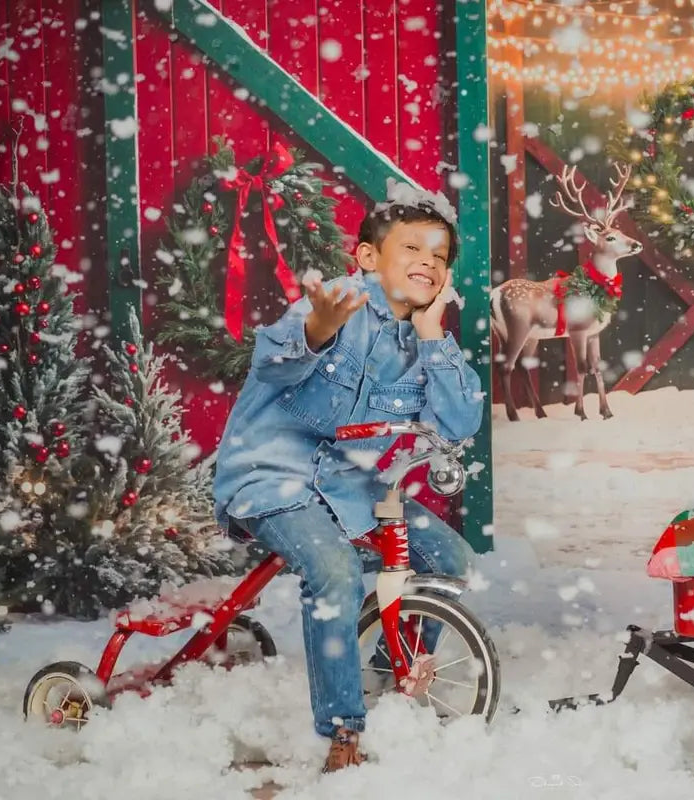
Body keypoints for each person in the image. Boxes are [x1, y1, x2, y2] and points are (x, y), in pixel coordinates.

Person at [212, 192, 483, 773]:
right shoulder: (340, 303)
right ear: (366, 256)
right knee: (332, 569)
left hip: (352, 483)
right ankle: (343, 733)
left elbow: (461, 423)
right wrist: (317, 327)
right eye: (412, 247)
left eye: (439, 256)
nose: (428, 262)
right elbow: (273, 363)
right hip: (273, 473)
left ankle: (391, 681)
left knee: (450, 560)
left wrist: (435, 336)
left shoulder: (428, 341)